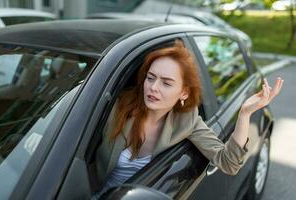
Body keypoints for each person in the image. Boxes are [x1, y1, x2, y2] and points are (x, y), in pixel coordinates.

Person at [93, 40, 284, 198]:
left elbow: (228, 163)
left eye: (166, 83)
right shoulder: (118, 107)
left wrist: (244, 113)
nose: (153, 87)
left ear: (183, 93)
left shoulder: (187, 121)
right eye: (150, 78)